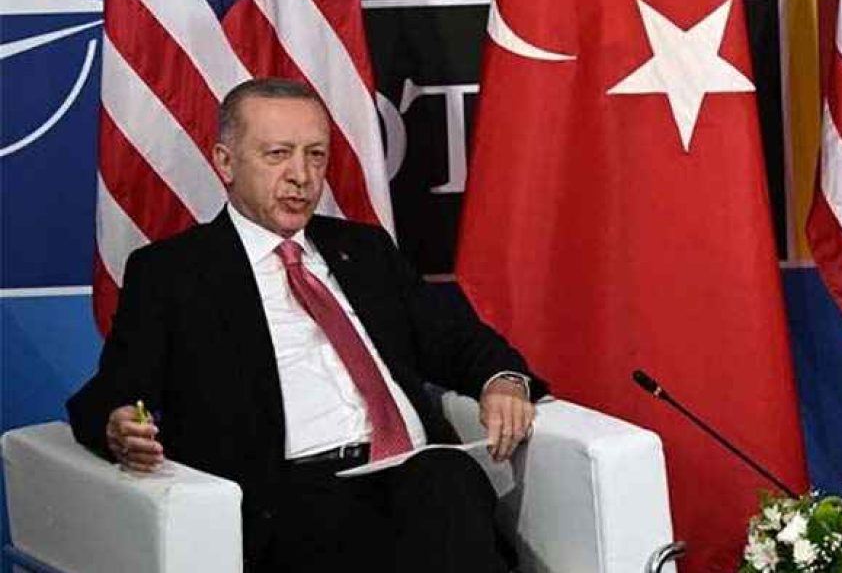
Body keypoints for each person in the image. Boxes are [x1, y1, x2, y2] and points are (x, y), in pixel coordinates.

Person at [68, 78, 547, 572]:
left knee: (445, 478)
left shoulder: (365, 251)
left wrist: (503, 381)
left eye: (316, 155)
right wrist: (117, 422)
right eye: (278, 154)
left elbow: (456, 341)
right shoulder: (174, 274)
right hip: (296, 499)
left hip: (415, 477)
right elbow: (115, 390)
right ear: (225, 162)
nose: (301, 176)